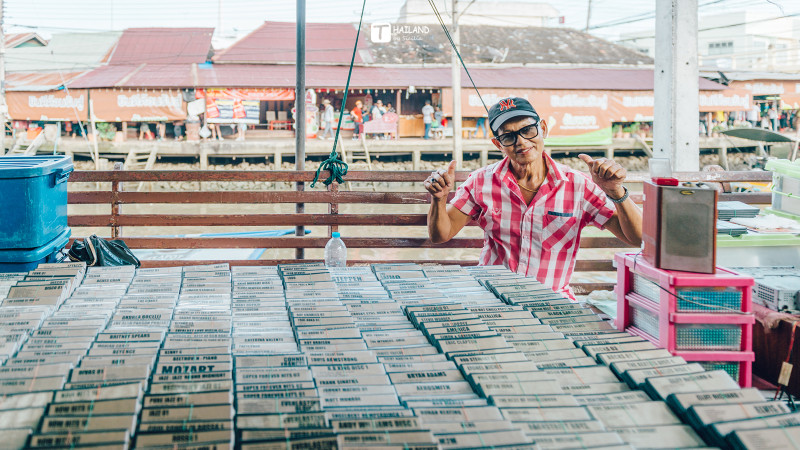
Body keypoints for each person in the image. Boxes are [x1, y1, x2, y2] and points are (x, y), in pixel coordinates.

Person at [423, 97, 643, 300]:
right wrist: (439, 199)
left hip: (552, 300)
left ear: (543, 129)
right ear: (498, 144)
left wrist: (615, 192)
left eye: (528, 130)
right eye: (508, 136)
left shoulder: (578, 185)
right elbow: (440, 235)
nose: (521, 142)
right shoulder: (481, 181)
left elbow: (637, 239)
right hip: (492, 297)